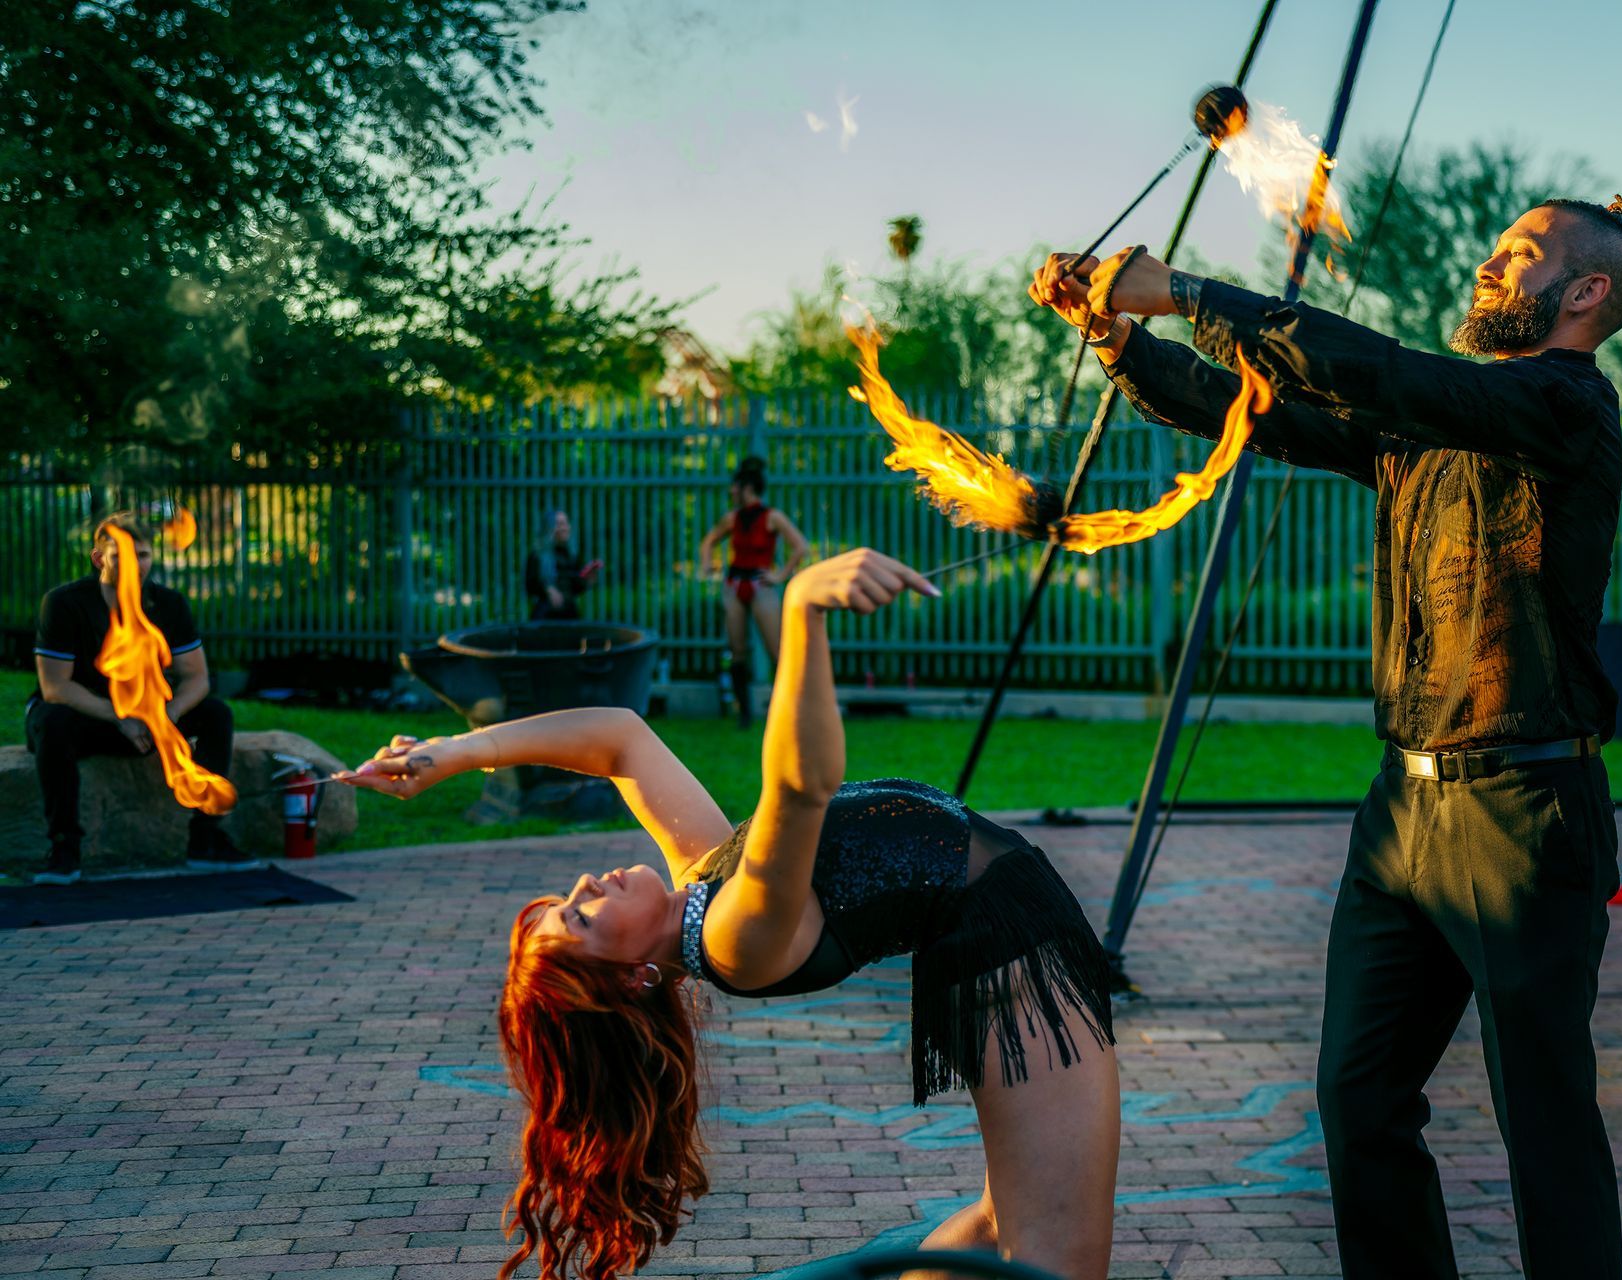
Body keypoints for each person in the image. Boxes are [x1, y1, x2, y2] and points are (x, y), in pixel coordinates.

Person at [1030, 196, 1622, 1280]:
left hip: (1526, 820)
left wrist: (1193, 290)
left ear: (1585, 294)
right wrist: (1120, 336)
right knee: (1358, 1097)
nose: (1488, 263)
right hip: (1402, 815)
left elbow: (1388, 373)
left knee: (1545, 1124)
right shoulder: (1432, 418)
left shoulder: (1564, 406)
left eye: (1519, 252)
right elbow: (1250, 406)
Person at [342, 548, 1119, 1280]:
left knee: (1000, 1228)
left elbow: (617, 738)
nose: (584, 882)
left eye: (564, 900)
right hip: (1013, 965)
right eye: (580, 918)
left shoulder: (702, 876)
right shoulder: (737, 936)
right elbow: (799, 786)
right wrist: (803, 608)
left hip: (1004, 935)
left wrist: (452, 752)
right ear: (640, 976)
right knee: (1059, 1265)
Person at [27, 512, 261, 883]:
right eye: (121, 555)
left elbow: (197, 678)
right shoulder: (64, 603)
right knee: (51, 720)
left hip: (151, 721)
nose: (136, 565)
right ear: (99, 558)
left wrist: (164, 717)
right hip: (89, 717)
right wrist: (119, 716)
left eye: (144, 555)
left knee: (216, 713)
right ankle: (64, 849)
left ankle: (207, 840)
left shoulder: (168, 604)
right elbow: (56, 687)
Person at [695, 457, 809, 726]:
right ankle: (744, 714)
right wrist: (706, 564)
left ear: (746, 487)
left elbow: (801, 546)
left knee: (777, 651)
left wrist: (780, 575)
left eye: (735, 487)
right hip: (734, 586)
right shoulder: (732, 519)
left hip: (761, 587)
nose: (732, 492)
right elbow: (708, 542)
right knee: (737, 650)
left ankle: (787, 711)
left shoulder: (772, 517)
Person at [524, 509, 600, 620]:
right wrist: (548, 589)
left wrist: (588, 580)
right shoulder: (537, 555)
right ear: (550, 528)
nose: (565, 527)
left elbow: (574, 588)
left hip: (569, 615)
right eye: (560, 524)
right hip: (546, 616)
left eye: (566, 523)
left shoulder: (571, 555)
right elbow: (530, 585)